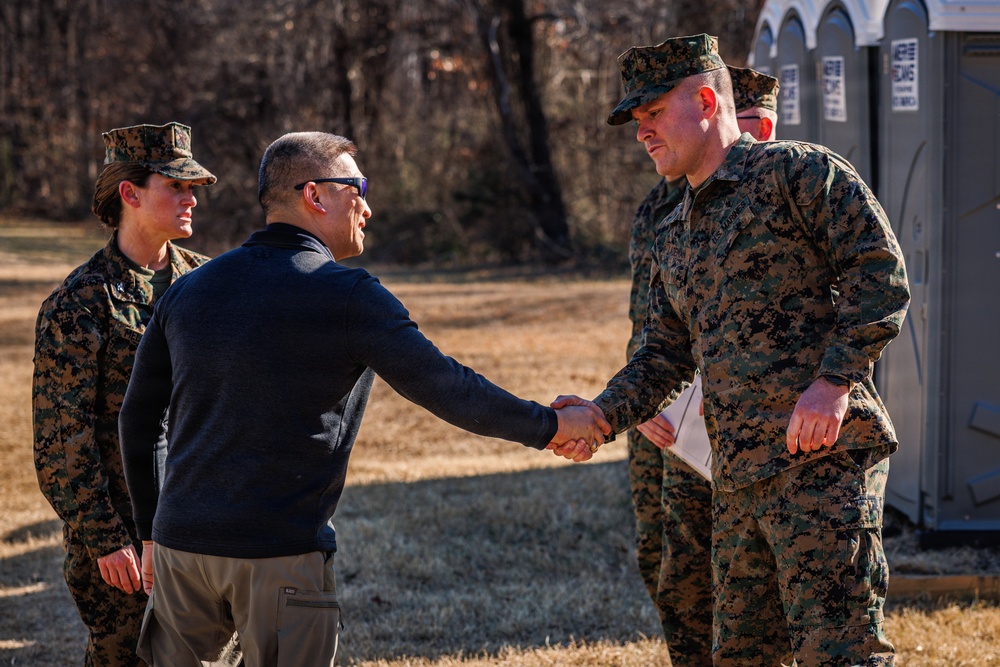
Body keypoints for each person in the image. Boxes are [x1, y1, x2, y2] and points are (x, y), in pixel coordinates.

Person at [118, 131, 607, 667]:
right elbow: (445, 386)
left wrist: (150, 535)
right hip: (278, 555)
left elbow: (139, 420)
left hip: (180, 553)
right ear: (316, 195)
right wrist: (552, 427)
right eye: (358, 187)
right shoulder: (347, 294)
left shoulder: (188, 290)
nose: (368, 207)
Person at [557, 34, 909, 665]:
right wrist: (602, 414)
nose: (642, 132)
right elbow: (663, 355)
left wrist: (834, 383)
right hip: (735, 481)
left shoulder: (799, 175)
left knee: (842, 653)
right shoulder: (674, 228)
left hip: (819, 468)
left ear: (704, 100)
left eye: (653, 114)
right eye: (635, 121)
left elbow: (879, 277)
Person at [31, 122, 228, 666]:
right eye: (177, 186)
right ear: (129, 193)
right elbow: (61, 443)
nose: (192, 199)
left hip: (204, 524)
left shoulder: (208, 284)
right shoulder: (80, 304)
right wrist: (106, 538)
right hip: (123, 543)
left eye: (194, 188)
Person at [624, 63, 779, 666]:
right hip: (670, 422)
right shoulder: (660, 208)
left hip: (762, 426)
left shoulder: (798, 191)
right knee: (671, 566)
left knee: (754, 583)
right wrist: (640, 403)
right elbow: (649, 326)